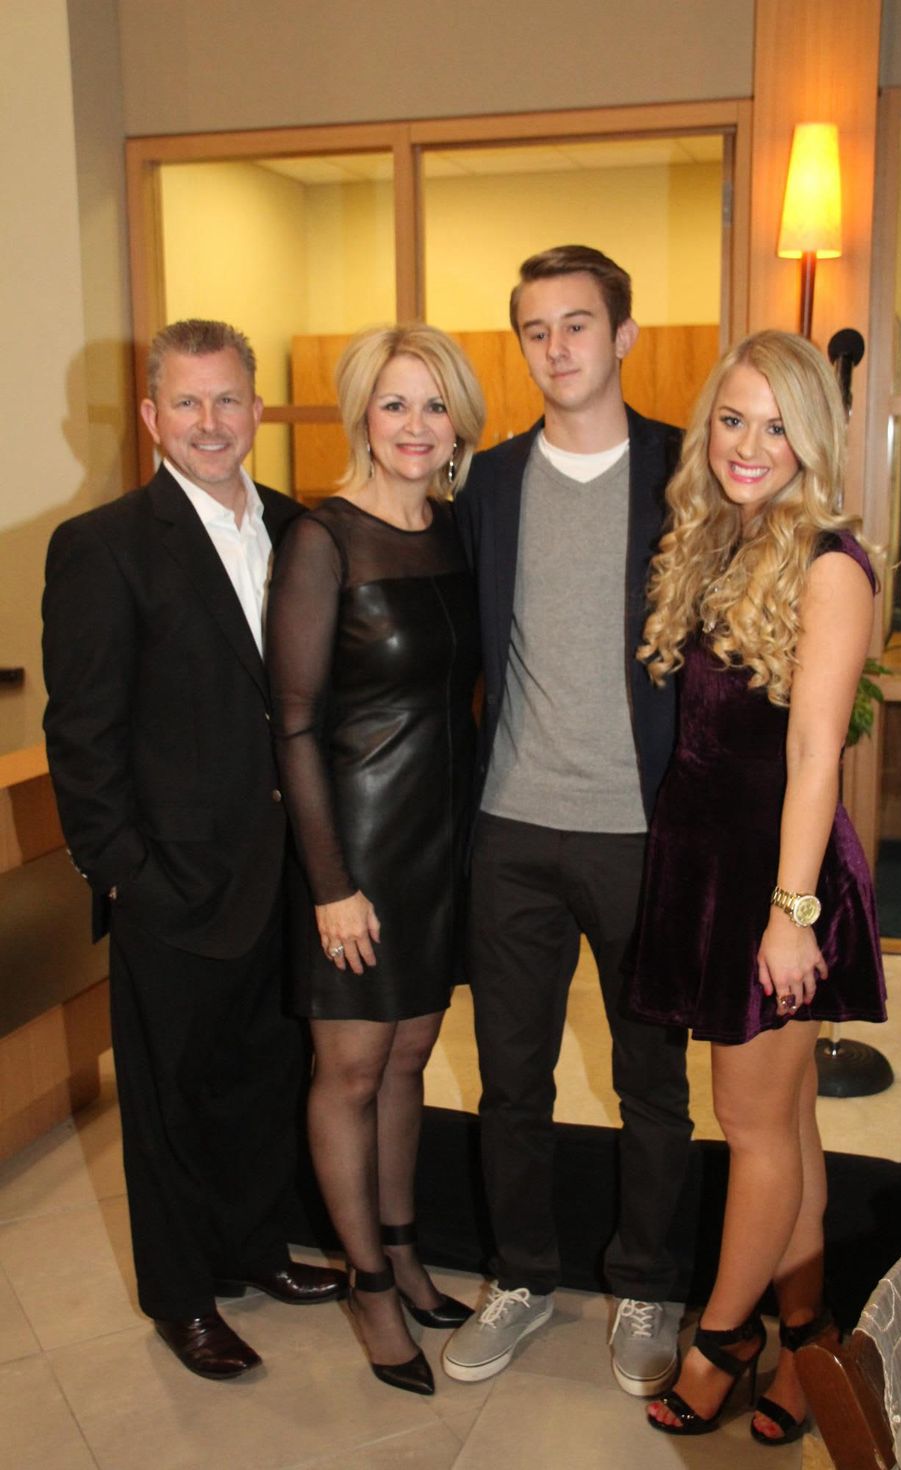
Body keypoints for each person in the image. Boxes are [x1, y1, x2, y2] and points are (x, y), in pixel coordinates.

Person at [41, 319, 348, 1381]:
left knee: (265, 1079)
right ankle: (182, 1298)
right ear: (151, 416)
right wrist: (124, 874)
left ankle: (254, 1248)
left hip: (286, 876)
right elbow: (82, 736)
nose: (209, 423)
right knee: (170, 1106)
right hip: (172, 882)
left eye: (226, 400)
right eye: (186, 402)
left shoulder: (302, 529)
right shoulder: (103, 546)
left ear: (255, 409)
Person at [625, 329, 887, 1442]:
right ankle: (805, 1341)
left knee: (750, 1126)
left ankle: (724, 1338)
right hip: (714, 867)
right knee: (787, 1124)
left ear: (812, 439)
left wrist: (791, 917)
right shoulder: (724, 539)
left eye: (776, 426)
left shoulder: (828, 562)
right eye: (732, 418)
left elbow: (817, 756)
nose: (747, 444)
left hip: (776, 882)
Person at [443, 246, 693, 1393]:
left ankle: (648, 1285)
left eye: (577, 324)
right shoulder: (488, 483)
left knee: (650, 1082)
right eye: (535, 329)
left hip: (643, 831)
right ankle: (520, 1276)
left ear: (622, 335)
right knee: (510, 1081)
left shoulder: (685, 472)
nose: (556, 348)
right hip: (510, 827)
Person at [265, 323, 485, 1396]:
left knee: (407, 1059)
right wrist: (331, 885)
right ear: (362, 412)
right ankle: (366, 1284)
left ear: (458, 422)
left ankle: (402, 1248)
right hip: (353, 844)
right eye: (395, 402)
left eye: (434, 404)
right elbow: (294, 721)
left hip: (439, 843)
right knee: (350, 1069)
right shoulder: (323, 538)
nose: (415, 424)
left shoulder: (453, 531)